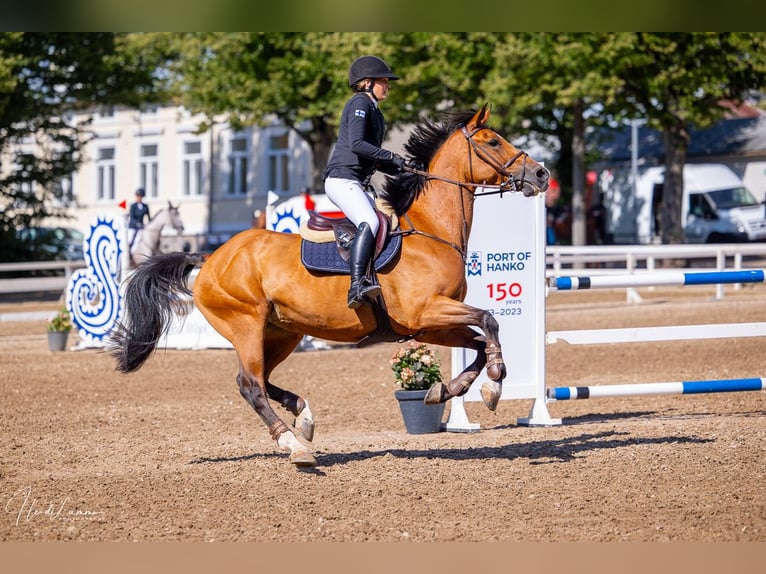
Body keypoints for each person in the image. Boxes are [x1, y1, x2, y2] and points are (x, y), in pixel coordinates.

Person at [323, 55, 406, 309]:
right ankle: (357, 285)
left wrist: (400, 167)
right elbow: (358, 145)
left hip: (356, 181)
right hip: (341, 179)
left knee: (387, 221)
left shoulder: (374, 110)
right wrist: (391, 156)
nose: (388, 86)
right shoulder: (360, 102)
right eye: (383, 81)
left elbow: (371, 157)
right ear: (367, 82)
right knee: (369, 221)